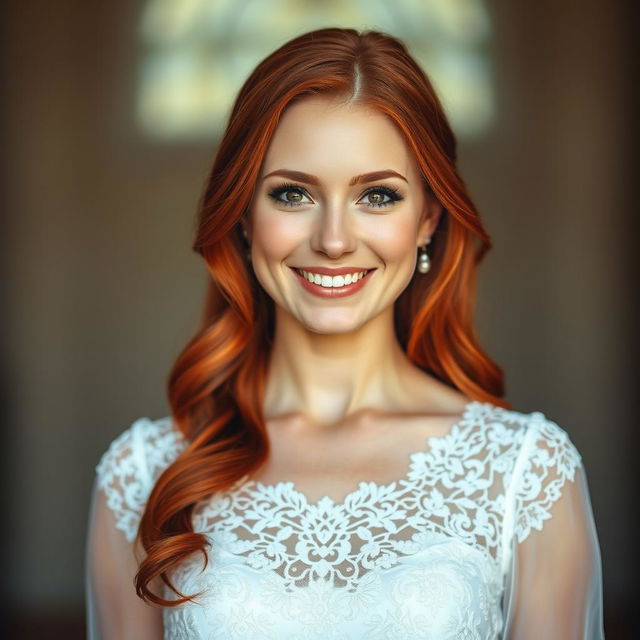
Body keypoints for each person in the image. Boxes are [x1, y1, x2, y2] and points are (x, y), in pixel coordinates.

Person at [85, 27, 604, 639]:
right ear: (245, 216)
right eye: (293, 193)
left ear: (428, 221)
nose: (333, 240)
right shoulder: (141, 473)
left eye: (378, 196)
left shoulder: (526, 473)